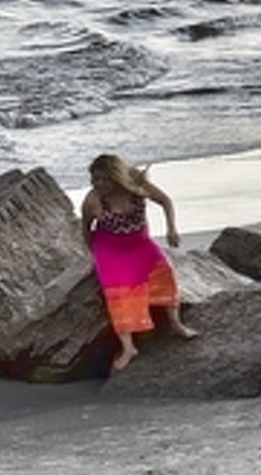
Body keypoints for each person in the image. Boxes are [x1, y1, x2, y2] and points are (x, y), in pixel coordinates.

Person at [78, 154, 194, 374]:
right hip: (110, 248)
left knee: (164, 273)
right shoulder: (93, 201)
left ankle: (176, 324)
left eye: (104, 179)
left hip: (140, 244)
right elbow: (85, 228)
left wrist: (171, 228)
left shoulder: (136, 184)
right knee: (119, 294)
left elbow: (165, 201)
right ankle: (128, 347)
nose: (98, 185)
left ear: (116, 176)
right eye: (94, 180)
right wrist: (94, 254)